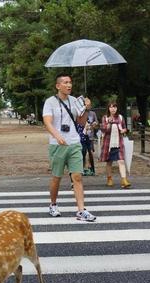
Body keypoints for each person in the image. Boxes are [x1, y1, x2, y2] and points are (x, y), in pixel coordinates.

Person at [42, 73, 96, 222]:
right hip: (57, 145)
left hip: (74, 143)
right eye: (65, 82)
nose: (69, 85)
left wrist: (86, 108)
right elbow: (47, 121)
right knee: (56, 177)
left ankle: (81, 210)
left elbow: (80, 121)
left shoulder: (75, 101)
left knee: (77, 176)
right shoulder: (50, 102)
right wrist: (56, 135)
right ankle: (53, 204)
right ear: (58, 86)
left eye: (70, 82)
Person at [99, 102, 131, 189]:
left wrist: (124, 130)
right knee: (109, 162)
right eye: (111, 107)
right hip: (108, 143)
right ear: (108, 108)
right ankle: (109, 179)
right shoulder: (105, 118)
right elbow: (104, 129)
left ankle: (124, 180)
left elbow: (125, 128)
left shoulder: (120, 117)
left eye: (115, 107)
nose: (113, 109)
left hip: (119, 143)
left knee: (121, 161)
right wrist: (109, 123)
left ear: (117, 108)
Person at [82, 97, 98, 176]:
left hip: (91, 136)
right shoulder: (81, 113)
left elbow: (96, 123)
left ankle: (91, 168)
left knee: (90, 153)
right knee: (83, 152)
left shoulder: (93, 113)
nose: (88, 105)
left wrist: (94, 125)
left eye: (89, 104)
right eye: (86, 104)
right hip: (82, 136)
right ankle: (83, 168)